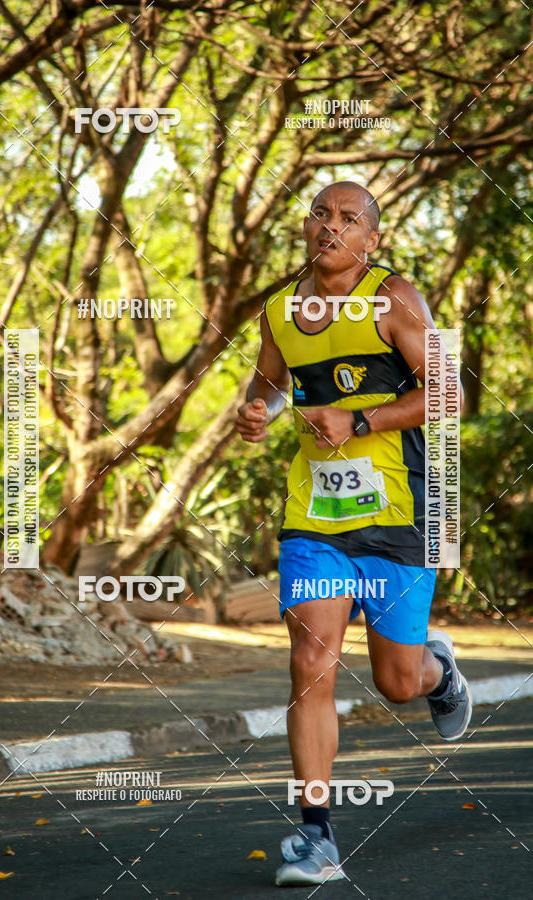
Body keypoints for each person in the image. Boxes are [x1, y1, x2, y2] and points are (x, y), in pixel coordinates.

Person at [235, 181, 472, 887]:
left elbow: (449, 392)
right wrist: (260, 411)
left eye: (348, 220)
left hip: (397, 512)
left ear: (372, 238)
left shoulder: (394, 298)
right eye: (320, 215)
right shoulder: (282, 309)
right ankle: (316, 837)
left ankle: (437, 670)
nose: (329, 228)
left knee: (396, 683)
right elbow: (271, 386)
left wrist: (362, 421)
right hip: (316, 517)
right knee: (311, 661)